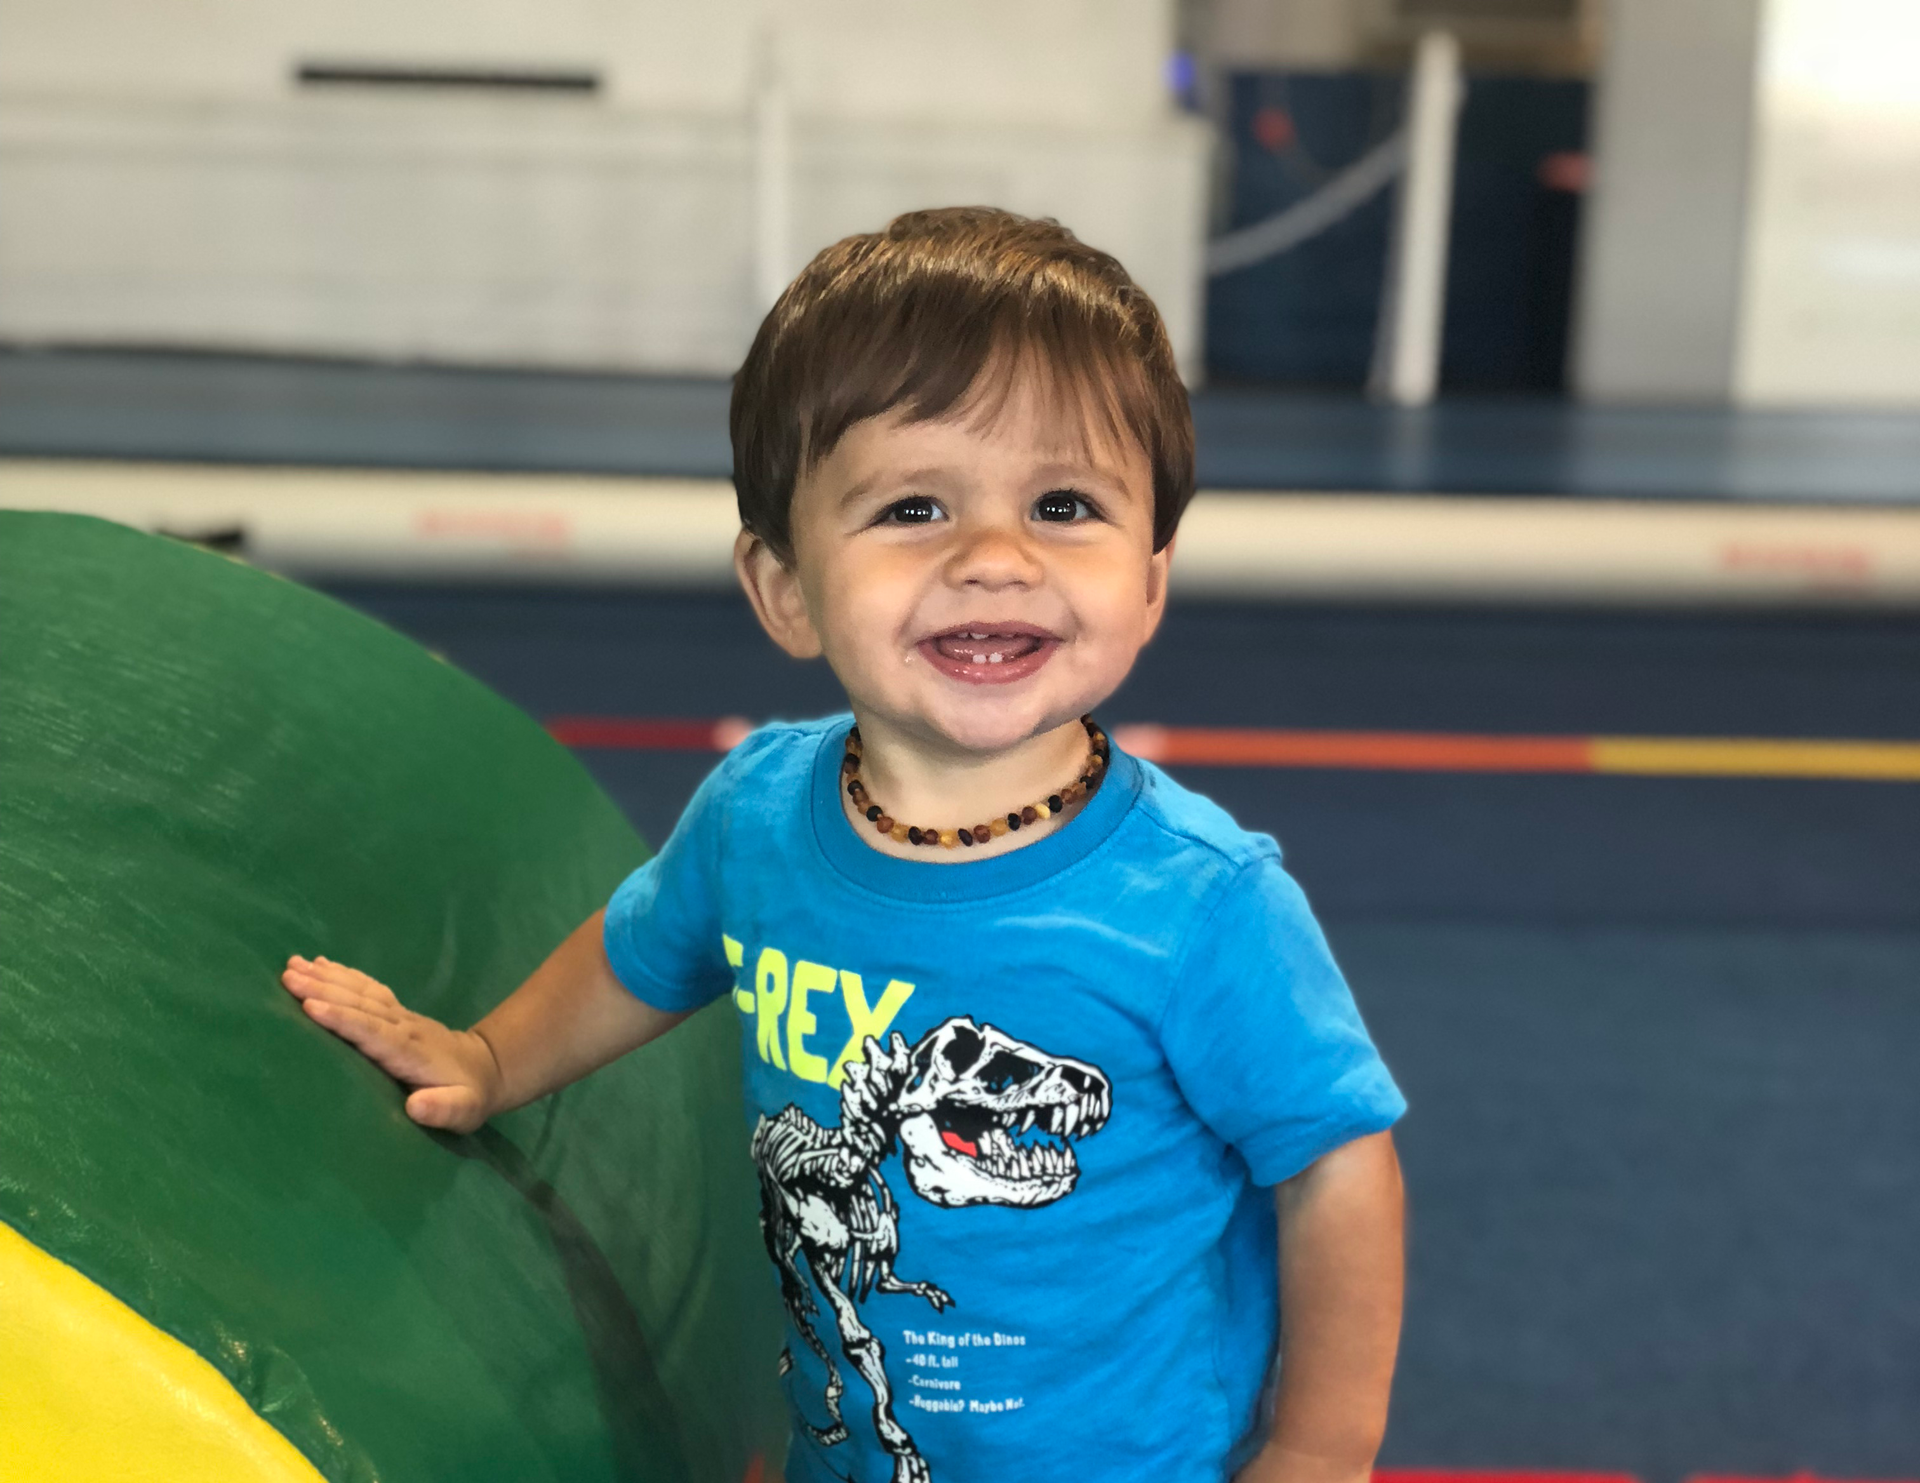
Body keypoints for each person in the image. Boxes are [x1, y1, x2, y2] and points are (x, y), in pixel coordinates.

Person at [282, 207, 1406, 1483]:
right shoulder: (759, 812)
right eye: (915, 505)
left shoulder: (1201, 903)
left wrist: (1321, 1448)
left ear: (1149, 577)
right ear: (784, 589)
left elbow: (1336, 1164)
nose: (995, 558)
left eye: (1065, 503)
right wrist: (490, 1056)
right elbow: (644, 952)